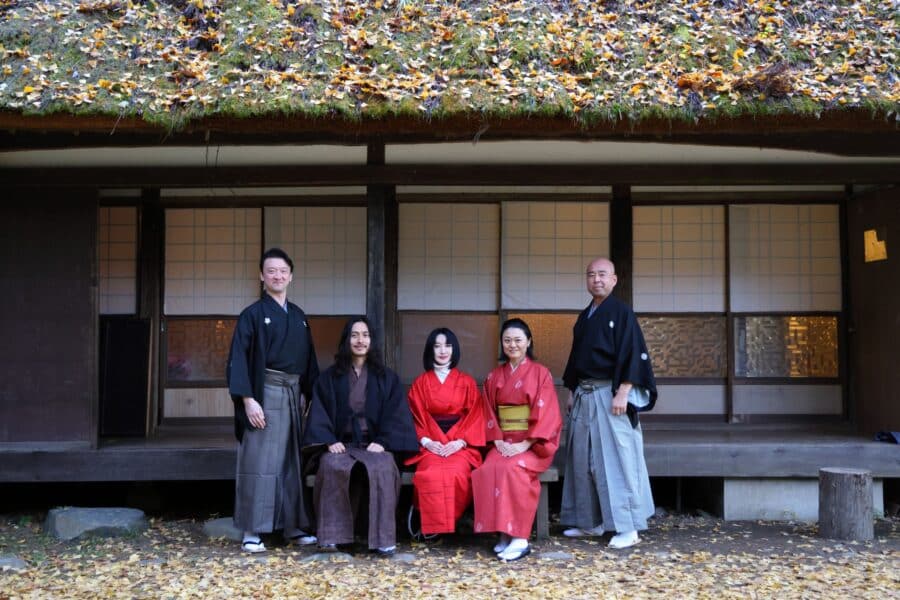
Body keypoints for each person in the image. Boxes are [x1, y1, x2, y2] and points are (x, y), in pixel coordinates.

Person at [226, 247, 320, 553]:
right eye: (271, 271)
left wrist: (306, 392)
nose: (277, 276)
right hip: (263, 391)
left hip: (293, 392)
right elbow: (239, 359)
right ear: (261, 276)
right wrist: (248, 399)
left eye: (283, 271)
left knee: (291, 461)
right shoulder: (252, 315)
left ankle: (292, 526)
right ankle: (252, 530)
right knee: (259, 461)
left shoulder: (299, 317)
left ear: (291, 276)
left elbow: (308, 359)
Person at [560, 257, 658, 549]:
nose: (597, 280)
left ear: (614, 280)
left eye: (602, 274)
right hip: (584, 393)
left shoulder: (621, 312)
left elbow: (633, 352)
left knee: (617, 459)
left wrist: (624, 390)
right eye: (591, 275)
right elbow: (576, 357)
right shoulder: (585, 316)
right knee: (584, 459)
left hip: (610, 394)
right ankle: (590, 522)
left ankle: (628, 527)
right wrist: (571, 389)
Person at [303, 317, 418, 556]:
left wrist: (383, 441)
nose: (360, 340)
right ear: (346, 340)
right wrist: (329, 440)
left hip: (373, 443)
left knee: (384, 466)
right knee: (331, 465)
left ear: (371, 340)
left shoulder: (387, 378)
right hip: (341, 443)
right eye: (354, 335)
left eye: (365, 335)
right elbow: (319, 413)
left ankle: (383, 538)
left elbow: (396, 414)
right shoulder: (330, 377)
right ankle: (332, 537)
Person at [471, 318, 562, 561]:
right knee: (489, 467)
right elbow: (487, 412)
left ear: (528, 342)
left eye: (518, 340)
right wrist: (497, 440)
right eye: (507, 340)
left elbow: (548, 412)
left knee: (513, 469)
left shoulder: (541, 374)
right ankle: (503, 533)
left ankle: (520, 537)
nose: (512, 345)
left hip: (533, 444)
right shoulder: (494, 376)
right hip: (503, 441)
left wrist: (525, 444)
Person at [405, 328, 486, 537]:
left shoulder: (466, 382)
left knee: (458, 472)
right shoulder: (420, 383)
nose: (443, 351)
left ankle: (443, 525)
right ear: (430, 350)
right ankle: (431, 527)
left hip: (459, 446)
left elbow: (475, 416)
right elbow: (414, 416)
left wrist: (459, 442)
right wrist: (426, 441)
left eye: (448, 346)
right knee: (429, 474)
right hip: (430, 446)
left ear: (454, 349)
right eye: (437, 346)